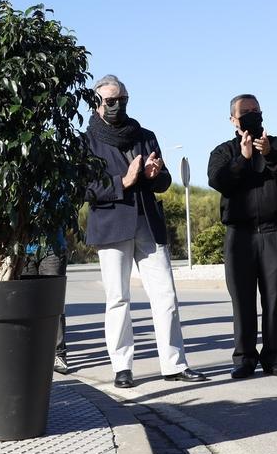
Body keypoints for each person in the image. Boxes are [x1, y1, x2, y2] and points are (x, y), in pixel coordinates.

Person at [84, 74, 207, 388]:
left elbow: (164, 181)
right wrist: (123, 182)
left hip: (148, 224)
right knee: (118, 299)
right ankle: (122, 367)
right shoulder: (86, 141)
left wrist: (153, 175)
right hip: (111, 226)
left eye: (122, 99)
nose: (117, 105)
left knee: (166, 295)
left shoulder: (145, 135)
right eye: (111, 100)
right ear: (98, 102)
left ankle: (174, 364)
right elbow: (84, 188)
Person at [207, 94, 277, 379]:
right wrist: (243, 159)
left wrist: (268, 153)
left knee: (273, 300)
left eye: (254, 111)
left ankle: (272, 357)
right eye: (244, 112)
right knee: (243, 301)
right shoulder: (223, 151)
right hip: (239, 236)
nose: (250, 115)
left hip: (273, 233)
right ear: (233, 119)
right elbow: (218, 181)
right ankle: (244, 358)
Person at [23, 229, 71, 375]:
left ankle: (58, 354)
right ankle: (30, 355)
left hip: (53, 247)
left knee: (53, 303)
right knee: (25, 304)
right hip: (22, 248)